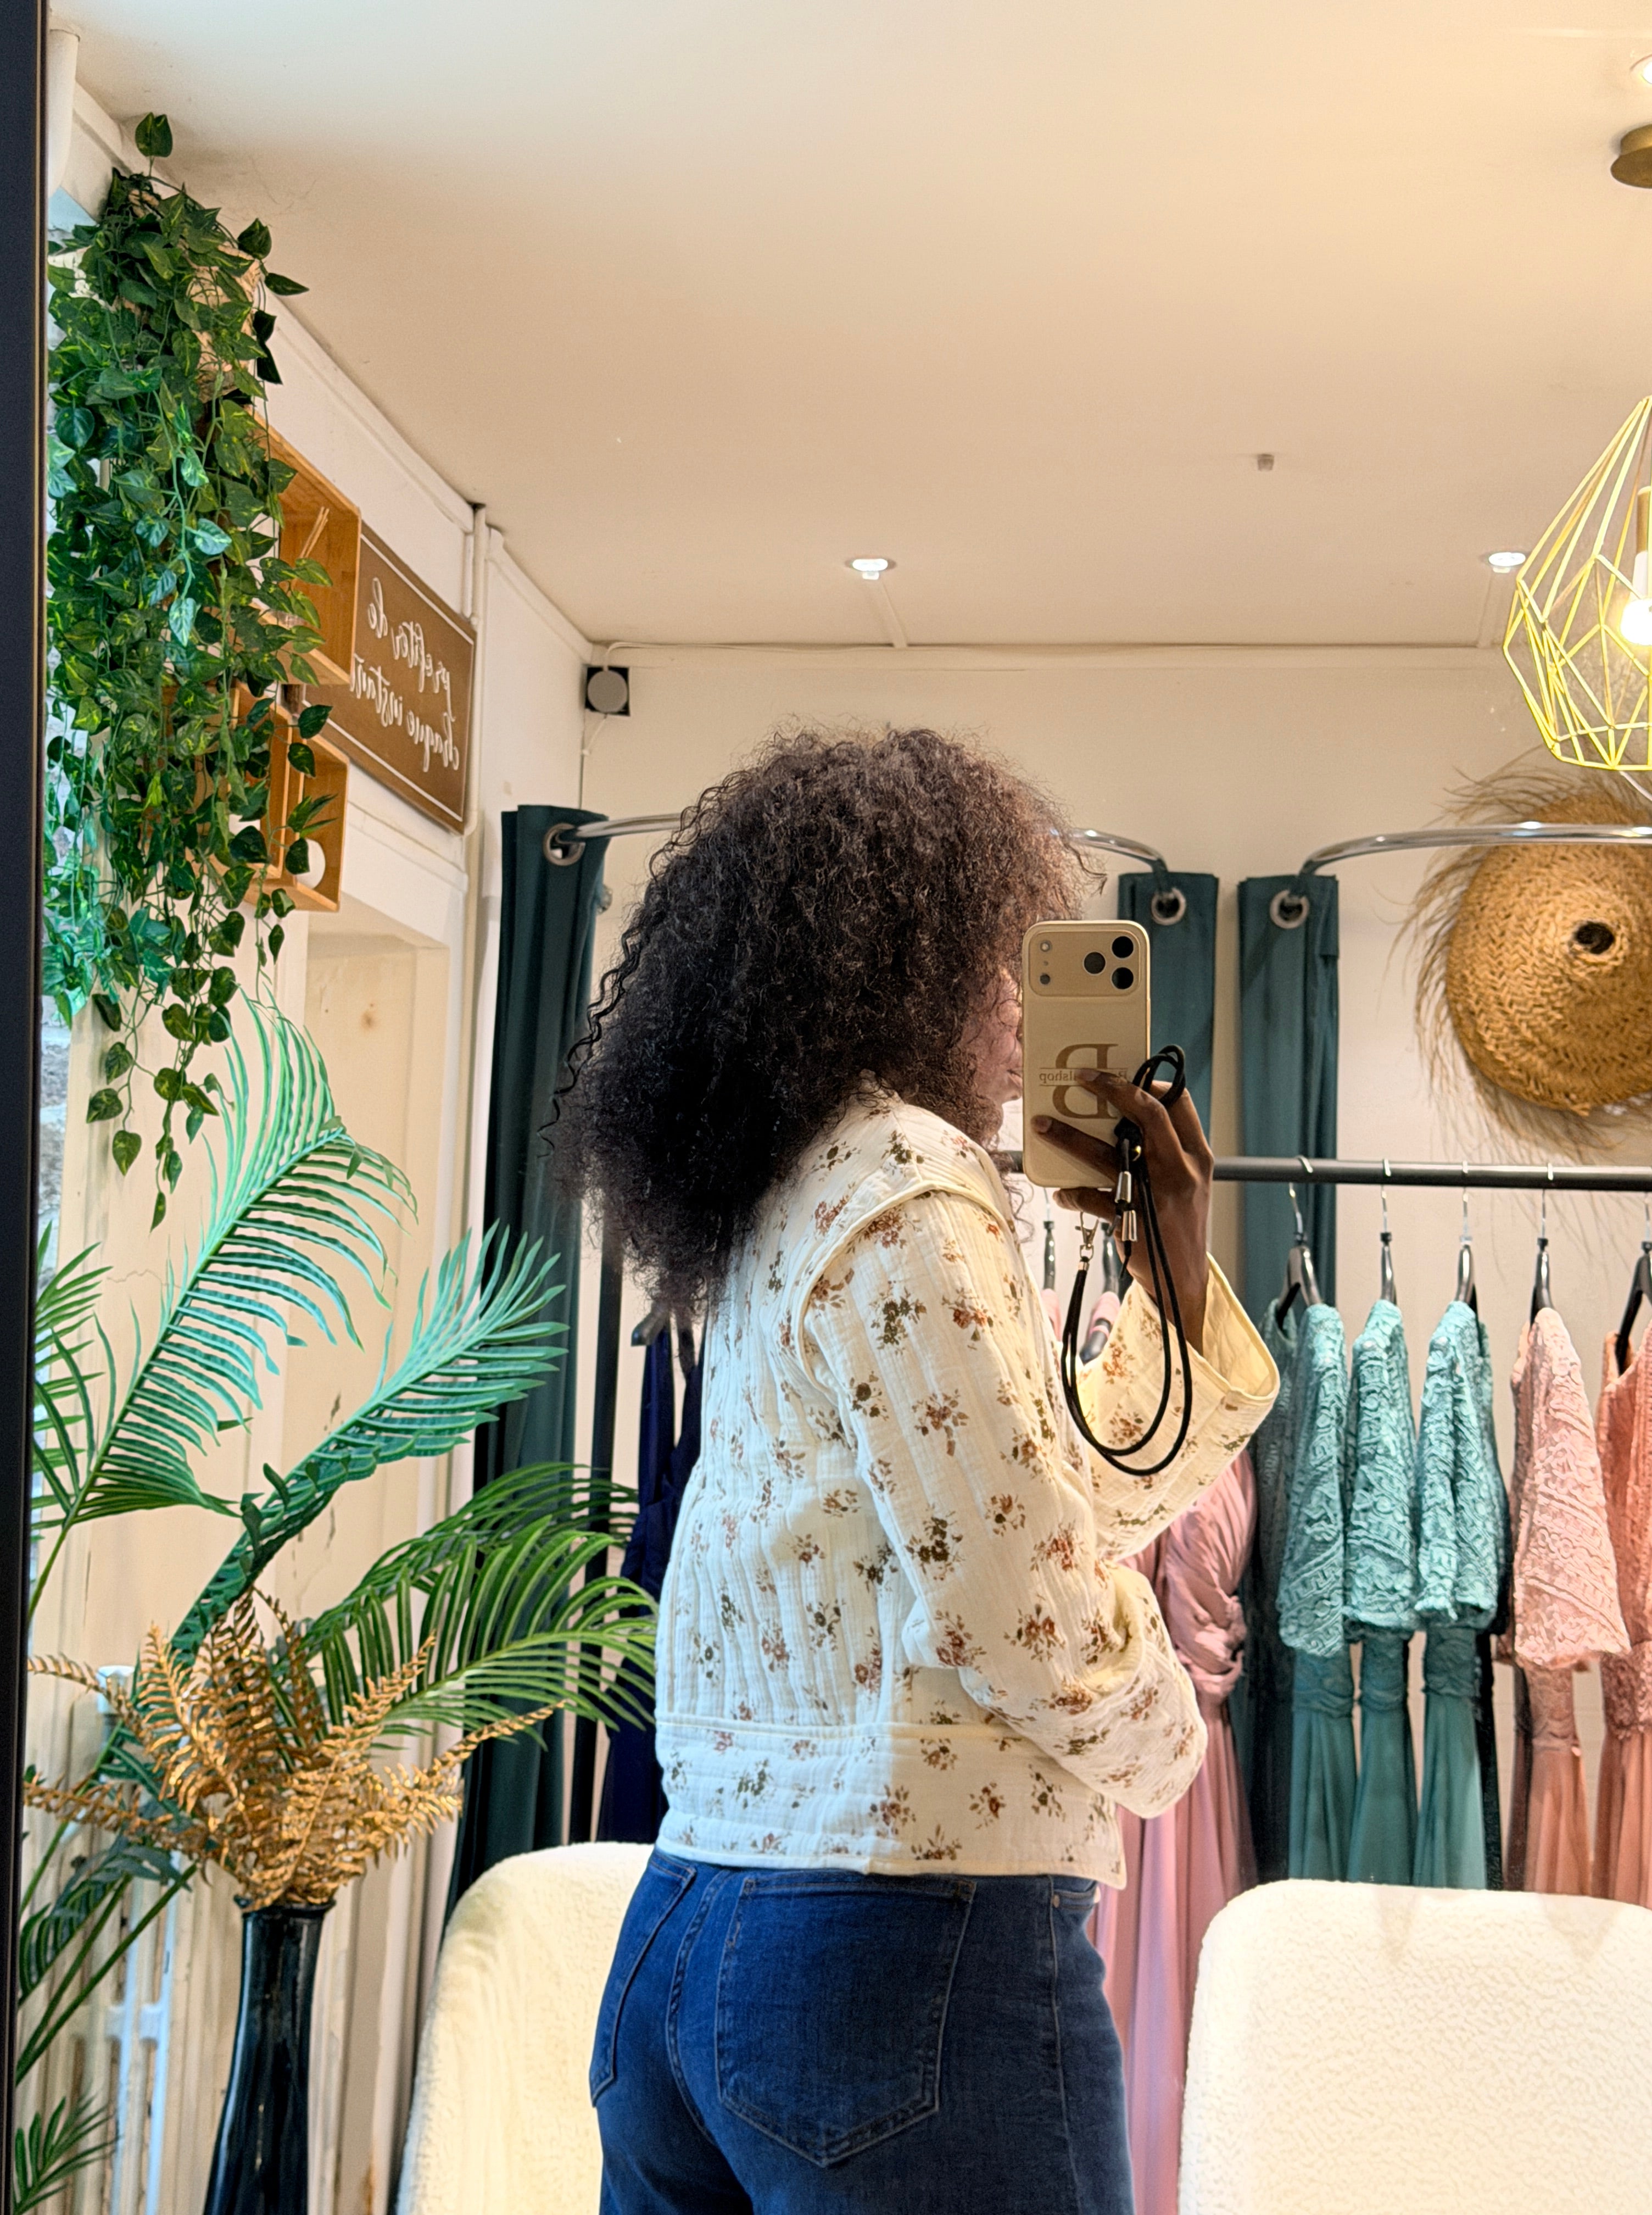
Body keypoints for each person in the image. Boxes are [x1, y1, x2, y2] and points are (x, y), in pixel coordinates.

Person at [563, 726, 1277, 2215]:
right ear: (905, 966)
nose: (1025, 1008)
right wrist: (1172, 1752)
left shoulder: (787, 1192)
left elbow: (1046, 1503)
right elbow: (1030, 1611)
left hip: (691, 1936)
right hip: (903, 1951)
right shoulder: (911, 1180)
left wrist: (1169, 1274)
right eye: (1000, 962)